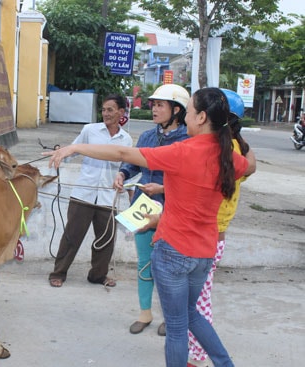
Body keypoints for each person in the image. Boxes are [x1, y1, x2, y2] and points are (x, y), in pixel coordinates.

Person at [45, 87, 256, 367]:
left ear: (202, 117)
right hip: (204, 253)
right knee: (192, 314)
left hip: (174, 252)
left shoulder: (183, 150)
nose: (187, 116)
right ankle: (225, 364)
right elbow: (250, 166)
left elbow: (122, 152)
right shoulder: (228, 155)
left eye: (190, 111)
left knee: (178, 326)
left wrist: (75, 147)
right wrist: (237, 138)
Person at [113, 84, 190, 336]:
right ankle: (145, 312)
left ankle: (172, 316)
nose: (154, 109)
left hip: (172, 211)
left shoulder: (188, 140)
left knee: (170, 268)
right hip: (142, 208)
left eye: (160, 105)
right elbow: (133, 162)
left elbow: (192, 178)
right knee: (144, 262)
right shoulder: (147, 136)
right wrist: (123, 174)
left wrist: (164, 188)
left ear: (177, 110)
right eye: (153, 104)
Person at [186, 89, 250, 367]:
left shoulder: (225, 151)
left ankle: (199, 356)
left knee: (198, 303)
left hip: (207, 236)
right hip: (215, 235)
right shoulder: (237, 149)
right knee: (197, 300)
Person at [48, 94, 133, 288]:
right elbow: (73, 149)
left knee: (106, 239)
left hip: (108, 197)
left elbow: (127, 166)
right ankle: (58, 273)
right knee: (72, 236)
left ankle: (97, 275)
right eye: (103, 110)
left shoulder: (126, 139)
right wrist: (60, 154)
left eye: (110, 110)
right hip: (83, 195)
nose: (106, 113)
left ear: (121, 112)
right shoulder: (90, 130)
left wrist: (127, 185)